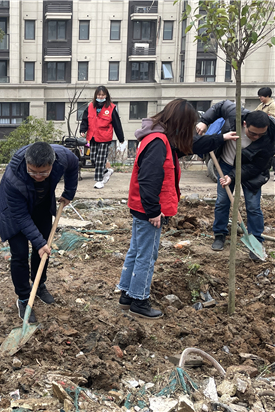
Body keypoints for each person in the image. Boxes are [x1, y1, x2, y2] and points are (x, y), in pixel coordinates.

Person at [116, 99, 240, 320]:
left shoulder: (159, 137)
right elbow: (148, 180)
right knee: (146, 255)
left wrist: (219, 138)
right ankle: (139, 300)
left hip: (142, 208)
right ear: (180, 122)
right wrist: (154, 211)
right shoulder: (158, 142)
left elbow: (192, 145)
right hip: (149, 211)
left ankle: (127, 295)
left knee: (136, 250)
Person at [0, 142, 79, 323]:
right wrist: (37, 241)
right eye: (33, 171)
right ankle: (24, 298)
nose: (38, 176)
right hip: (13, 211)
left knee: (43, 250)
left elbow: (74, 165)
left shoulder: (63, 157)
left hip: (40, 204)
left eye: (43, 172)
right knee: (20, 254)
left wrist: (69, 192)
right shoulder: (13, 177)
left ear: (52, 163)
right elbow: (20, 215)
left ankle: (39, 285)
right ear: (26, 163)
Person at [196, 102, 275, 261]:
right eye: (253, 133)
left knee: (253, 206)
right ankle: (219, 234)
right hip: (225, 164)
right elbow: (220, 106)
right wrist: (204, 121)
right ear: (245, 124)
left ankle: (256, 241)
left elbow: (257, 166)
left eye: (260, 135)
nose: (256, 137)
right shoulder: (235, 115)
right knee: (223, 201)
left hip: (252, 170)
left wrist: (233, 176)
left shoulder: (270, 136)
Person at [80, 85, 125, 189]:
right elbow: (85, 120)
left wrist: (121, 138)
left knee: (100, 159)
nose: (100, 96)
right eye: (99, 94)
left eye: (103, 94)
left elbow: (117, 124)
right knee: (93, 158)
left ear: (106, 95)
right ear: (96, 95)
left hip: (105, 137)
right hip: (93, 136)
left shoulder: (111, 108)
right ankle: (106, 171)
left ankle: (99, 181)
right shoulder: (90, 106)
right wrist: (83, 130)